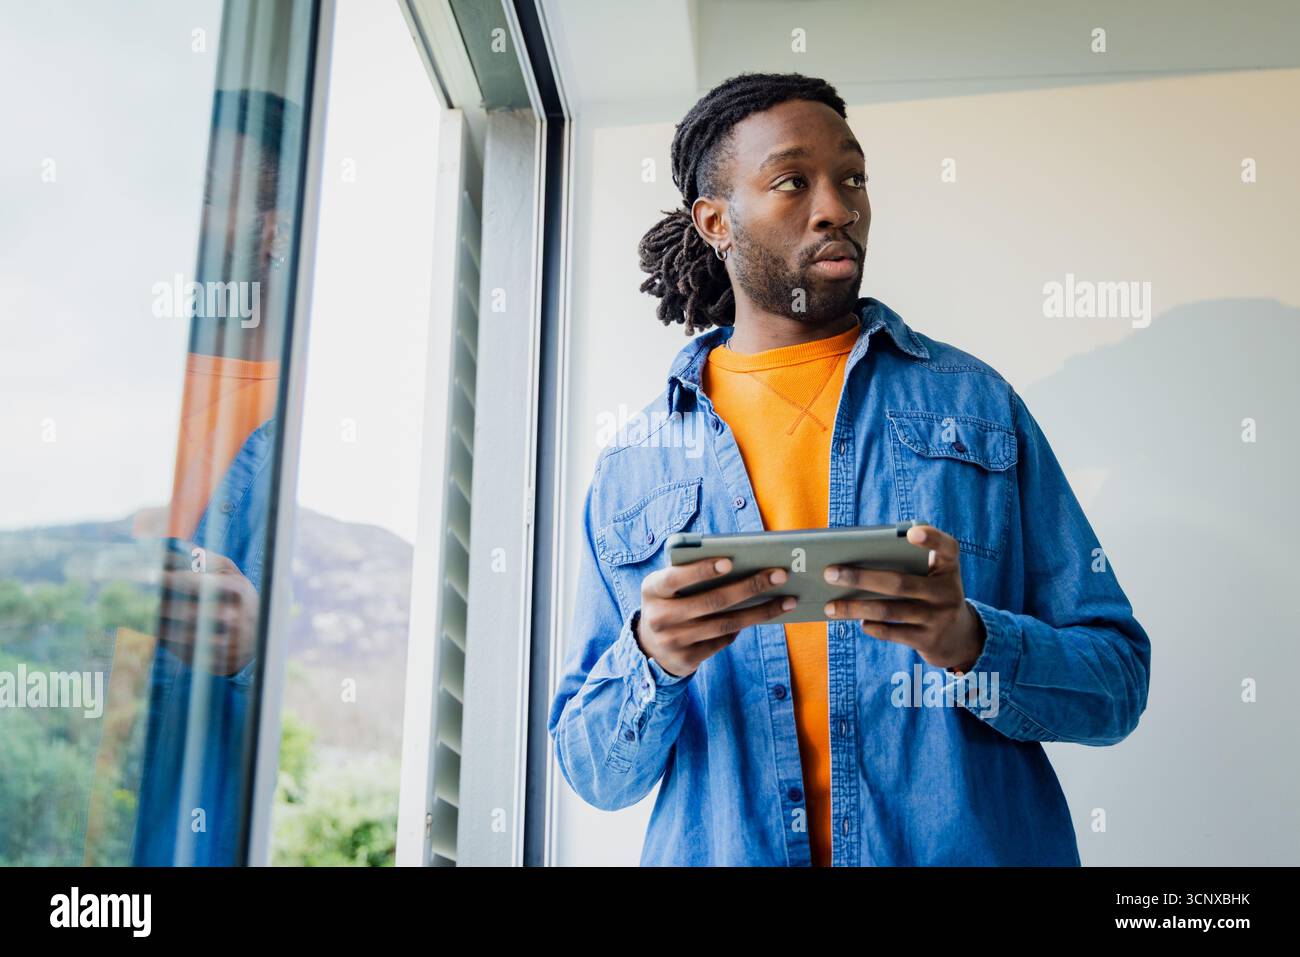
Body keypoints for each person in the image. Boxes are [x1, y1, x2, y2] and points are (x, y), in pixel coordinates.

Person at [548, 71, 1151, 866]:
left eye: (853, 177)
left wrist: (971, 639)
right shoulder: (634, 466)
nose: (839, 207)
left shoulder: (978, 406)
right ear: (716, 220)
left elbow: (1115, 683)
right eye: (793, 182)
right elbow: (593, 769)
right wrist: (652, 655)